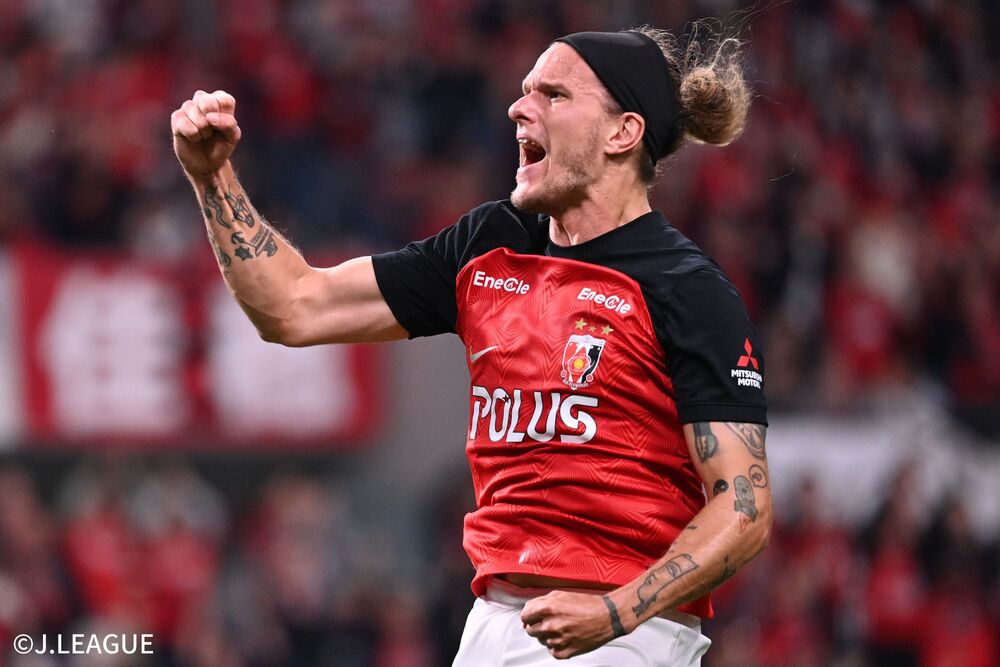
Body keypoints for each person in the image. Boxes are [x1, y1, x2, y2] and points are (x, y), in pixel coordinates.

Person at [171, 23, 772, 667]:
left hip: (623, 635)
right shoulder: (490, 245)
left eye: (554, 95)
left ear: (622, 133)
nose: (518, 108)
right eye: (525, 90)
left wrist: (617, 612)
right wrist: (213, 177)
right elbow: (293, 306)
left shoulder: (687, 290)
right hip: (491, 623)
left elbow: (744, 507)